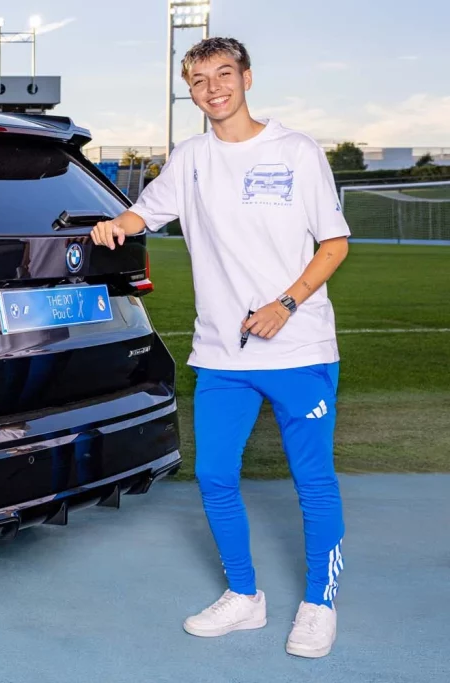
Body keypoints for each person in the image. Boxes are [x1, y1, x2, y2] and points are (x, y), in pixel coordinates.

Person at [91, 37, 350, 659]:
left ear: (247, 78)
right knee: (213, 475)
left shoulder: (296, 151)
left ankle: (319, 603)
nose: (213, 88)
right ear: (191, 90)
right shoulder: (192, 158)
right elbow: (142, 216)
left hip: (299, 348)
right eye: (200, 79)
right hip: (223, 356)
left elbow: (334, 244)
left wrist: (284, 305)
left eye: (224, 74)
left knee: (312, 481)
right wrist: (113, 226)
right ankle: (244, 597)